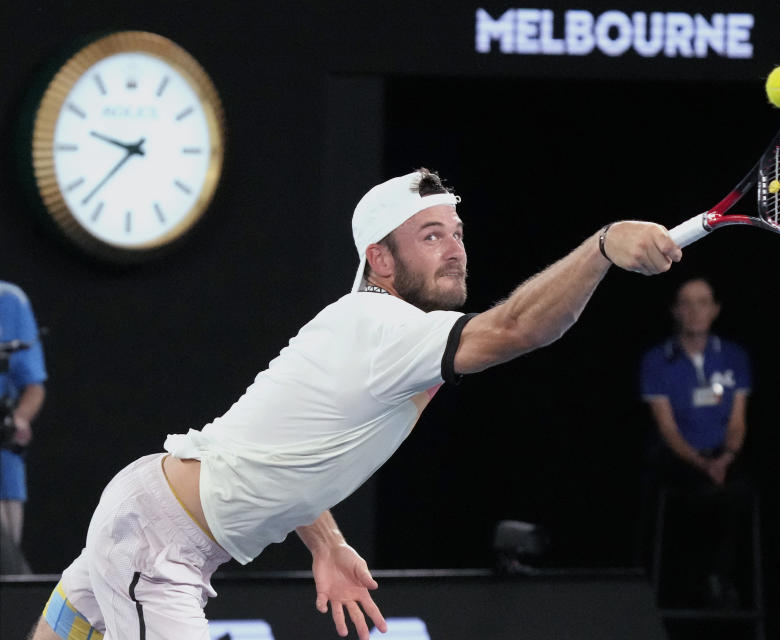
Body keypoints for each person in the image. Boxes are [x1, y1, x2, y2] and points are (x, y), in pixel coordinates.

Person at [30, 168, 682, 640]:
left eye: (456, 231)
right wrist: (602, 247)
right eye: (430, 235)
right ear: (381, 259)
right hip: (155, 546)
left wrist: (327, 543)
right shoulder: (381, 330)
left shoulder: (379, 335)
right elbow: (518, 328)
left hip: (152, 509)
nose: (454, 246)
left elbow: (282, 454)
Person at [640, 277, 753, 608]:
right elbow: (667, 429)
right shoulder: (657, 360)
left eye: (702, 302)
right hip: (680, 457)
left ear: (715, 310)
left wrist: (726, 457)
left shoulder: (733, 357)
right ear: (675, 310)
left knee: (737, 492)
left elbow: (737, 421)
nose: (694, 311)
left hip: (722, 456)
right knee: (695, 491)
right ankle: (682, 585)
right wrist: (701, 463)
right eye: (686, 303)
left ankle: (719, 578)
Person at [0, 281, 48, 575]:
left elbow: (33, 386)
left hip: (3, 461)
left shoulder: (8, 300)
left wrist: (18, 419)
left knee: (6, 569)